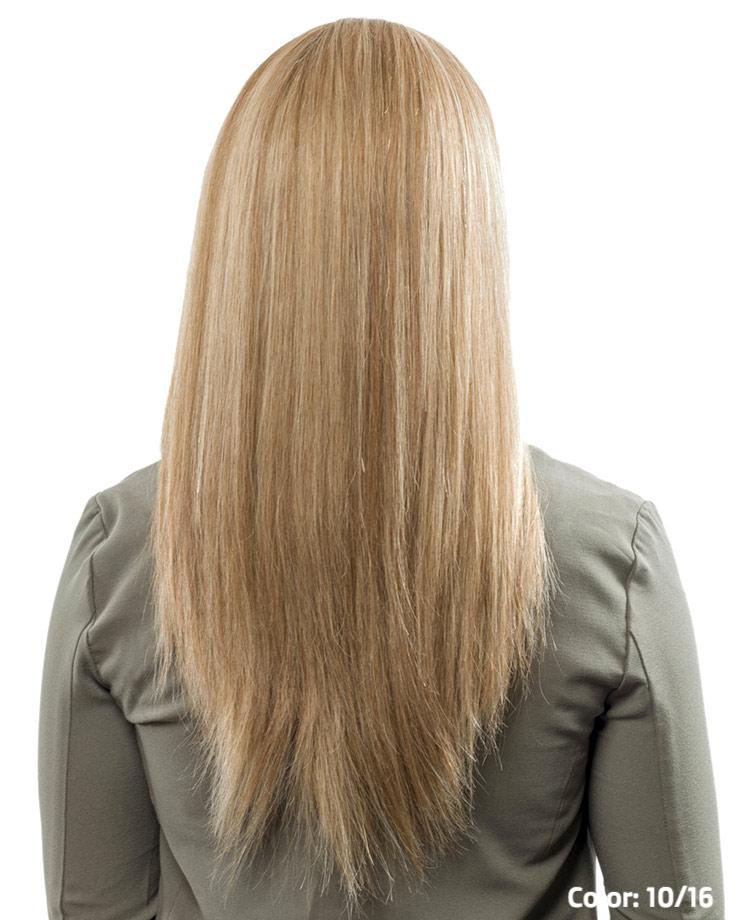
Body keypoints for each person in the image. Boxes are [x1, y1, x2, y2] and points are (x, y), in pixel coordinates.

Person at [38, 17, 724, 920]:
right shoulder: (610, 557)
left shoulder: (123, 555)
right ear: (466, 244)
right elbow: (676, 905)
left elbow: (95, 906)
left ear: (238, 239)